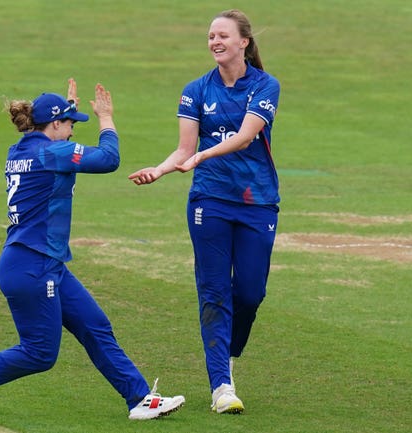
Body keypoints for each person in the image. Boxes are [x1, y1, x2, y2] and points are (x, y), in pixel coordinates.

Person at [0, 79, 185, 421]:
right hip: (32, 266)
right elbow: (109, 158)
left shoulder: (22, 149)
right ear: (54, 124)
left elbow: (58, 151)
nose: (72, 131)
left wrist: (64, 110)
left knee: (95, 326)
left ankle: (140, 398)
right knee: (40, 353)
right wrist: (106, 118)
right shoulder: (52, 152)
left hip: (40, 262)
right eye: (70, 123)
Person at [129, 9, 280, 414]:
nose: (215, 41)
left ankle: (227, 357)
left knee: (250, 292)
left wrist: (203, 155)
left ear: (243, 42)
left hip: (256, 200)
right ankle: (221, 386)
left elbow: (247, 136)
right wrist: (160, 170)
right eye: (211, 36)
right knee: (214, 293)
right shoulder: (196, 89)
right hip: (209, 200)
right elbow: (184, 148)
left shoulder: (265, 85)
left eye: (223, 36)